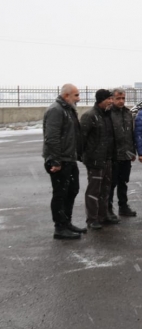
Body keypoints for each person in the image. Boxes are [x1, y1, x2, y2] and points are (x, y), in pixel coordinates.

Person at [43, 83, 85, 240]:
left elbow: (74, 135)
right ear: (66, 96)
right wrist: (55, 161)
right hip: (59, 160)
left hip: (69, 159)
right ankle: (59, 227)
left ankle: (67, 222)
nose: (78, 99)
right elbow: (52, 137)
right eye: (76, 95)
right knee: (60, 194)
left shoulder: (69, 110)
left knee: (72, 190)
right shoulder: (56, 110)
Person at [80, 89, 118, 231]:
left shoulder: (108, 115)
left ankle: (103, 215)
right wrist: (85, 156)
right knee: (94, 190)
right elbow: (81, 139)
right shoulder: (89, 116)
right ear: (100, 100)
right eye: (108, 99)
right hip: (95, 160)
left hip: (107, 159)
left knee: (105, 189)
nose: (111, 101)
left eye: (111, 99)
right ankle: (92, 219)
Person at [109, 88, 137, 218]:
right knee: (111, 184)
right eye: (118, 98)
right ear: (112, 99)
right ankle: (108, 209)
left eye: (123, 99)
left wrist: (132, 151)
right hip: (113, 155)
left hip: (126, 154)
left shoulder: (127, 113)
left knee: (123, 182)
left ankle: (123, 206)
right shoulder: (108, 113)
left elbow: (131, 134)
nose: (121, 101)